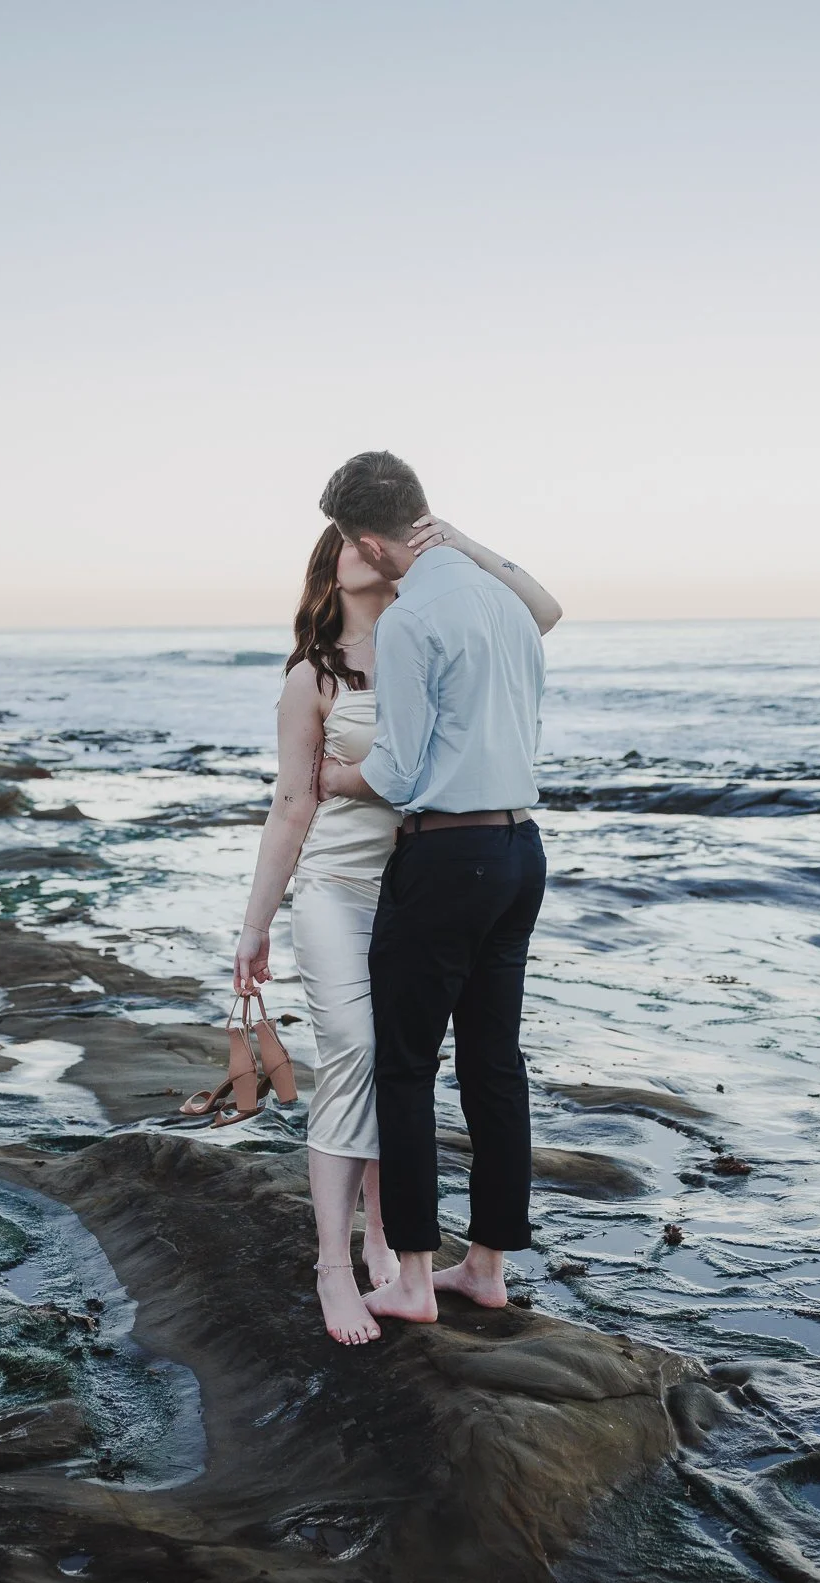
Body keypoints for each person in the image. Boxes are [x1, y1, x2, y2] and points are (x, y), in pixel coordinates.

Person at [234, 486, 561, 1345]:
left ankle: (396, 1246)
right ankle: (336, 1265)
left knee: (420, 1066)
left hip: (424, 877)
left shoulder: (435, 628)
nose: (350, 545)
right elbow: (288, 808)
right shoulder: (314, 674)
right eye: (335, 540)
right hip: (344, 891)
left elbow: (541, 612)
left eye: (354, 534)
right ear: (334, 568)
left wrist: (470, 544)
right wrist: (254, 924)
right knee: (370, 1061)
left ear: (373, 547)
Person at [312, 451, 552, 1326]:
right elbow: (550, 606)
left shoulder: (414, 620)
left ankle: (414, 1278)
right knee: (495, 1064)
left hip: (447, 856)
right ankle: (486, 1265)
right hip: (522, 852)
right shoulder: (509, 605)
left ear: (370, 543)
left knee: (406, 1066)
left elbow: (400, 770)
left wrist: (338, 779)